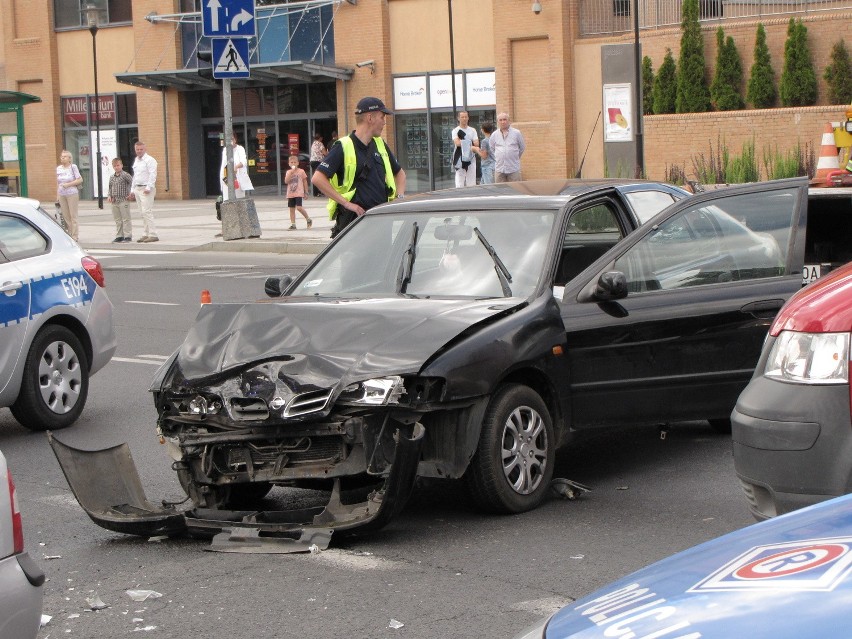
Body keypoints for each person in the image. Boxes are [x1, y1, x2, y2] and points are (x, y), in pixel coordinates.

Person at [312, 97, 406, 238]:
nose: (384, 122)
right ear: (370, 118)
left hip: (381, 220)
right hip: (355, 222)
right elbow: (317, 178)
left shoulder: (380, 144)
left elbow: (400, 174)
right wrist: (346, 204)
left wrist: (399, 198)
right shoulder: (343, 146)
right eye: (382, 117)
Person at [131, 140, 159, 242]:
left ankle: (153, 234)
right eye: (137, 149)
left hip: (146, 189)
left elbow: (153, 174)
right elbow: (135, 176)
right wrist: (132, 190)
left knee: (147, 211)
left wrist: (148, 187)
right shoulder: (136, 160)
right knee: (141, 212)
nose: (139, 151)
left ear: (145, 149)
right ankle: (145, 233)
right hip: (137, 188)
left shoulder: (150, 160)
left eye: (141, 149)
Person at [56, 150, 83, 241]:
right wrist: (57, 195)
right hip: (62, 194)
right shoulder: (59, 168)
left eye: (65, 157)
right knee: (66, 216)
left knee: (73, 215)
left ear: (69, 159)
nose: (62, 158)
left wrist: (68, 184)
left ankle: (75, 235)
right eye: (61, 156)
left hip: (72, 193)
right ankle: (69, 234)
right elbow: (58, 182)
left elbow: (79, 180)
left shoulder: (73, 167)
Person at [492, 112, 526, 182]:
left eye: (504, 119)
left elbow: (522, 147)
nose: (503, 122)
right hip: (499, 169)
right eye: (500, 120)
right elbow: (492, 148)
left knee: (516, 190)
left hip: (513, 168)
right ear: (498, 122)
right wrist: (499, 156)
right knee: (500, 191)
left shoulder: (516, 133)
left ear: (509, 121)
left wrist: (514, 157)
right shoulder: (494, 134)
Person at [219, 133, 254, 201]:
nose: (231, 141)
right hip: (226, 177)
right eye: (229, 139)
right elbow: (224, 164)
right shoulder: (225, 150)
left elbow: (243, 162)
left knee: (238, 198)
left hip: (238, 177)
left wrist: (236, 167)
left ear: (235, 139)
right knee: (227, 199)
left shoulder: (240, 149)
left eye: (232, 139)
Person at [107, 157, 133, 242]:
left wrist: (131, 193)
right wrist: (109, 196)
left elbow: (132, 183)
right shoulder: (112, 177)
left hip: (123, 200)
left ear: (121, 165)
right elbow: (110, 187)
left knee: (126, 218)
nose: (116, 167)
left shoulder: (125, 175)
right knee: (118, 219)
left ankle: (128, 235)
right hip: (115, 201)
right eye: (114, 166)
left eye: (118, 165)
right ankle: (119, 235)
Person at [451, 111, 478, 187]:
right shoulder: (455, 130)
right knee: (459, 181)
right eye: (462, 117)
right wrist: (470, 142)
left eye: (466, 117)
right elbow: (457, 143)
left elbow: (476, 144)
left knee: (472, 181)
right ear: (458, 118)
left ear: (468, 118)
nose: (464, 119)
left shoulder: (473, 130)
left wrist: (463, 142)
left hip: (471, 157)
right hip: (460, 157)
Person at [285, 155, 312, 230]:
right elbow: (286, 181)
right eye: (291, 162)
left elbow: (305, 182)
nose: (293, 164)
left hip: (299, 192)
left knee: (299, 208)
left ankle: (308, 219)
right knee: (291, 209)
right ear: (289, 164)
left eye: (295, 162)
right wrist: (291, 173)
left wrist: (306, 192)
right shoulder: (288, 172)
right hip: (290, 193)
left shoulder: (301, 171)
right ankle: (293, 224)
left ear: (298, 163)